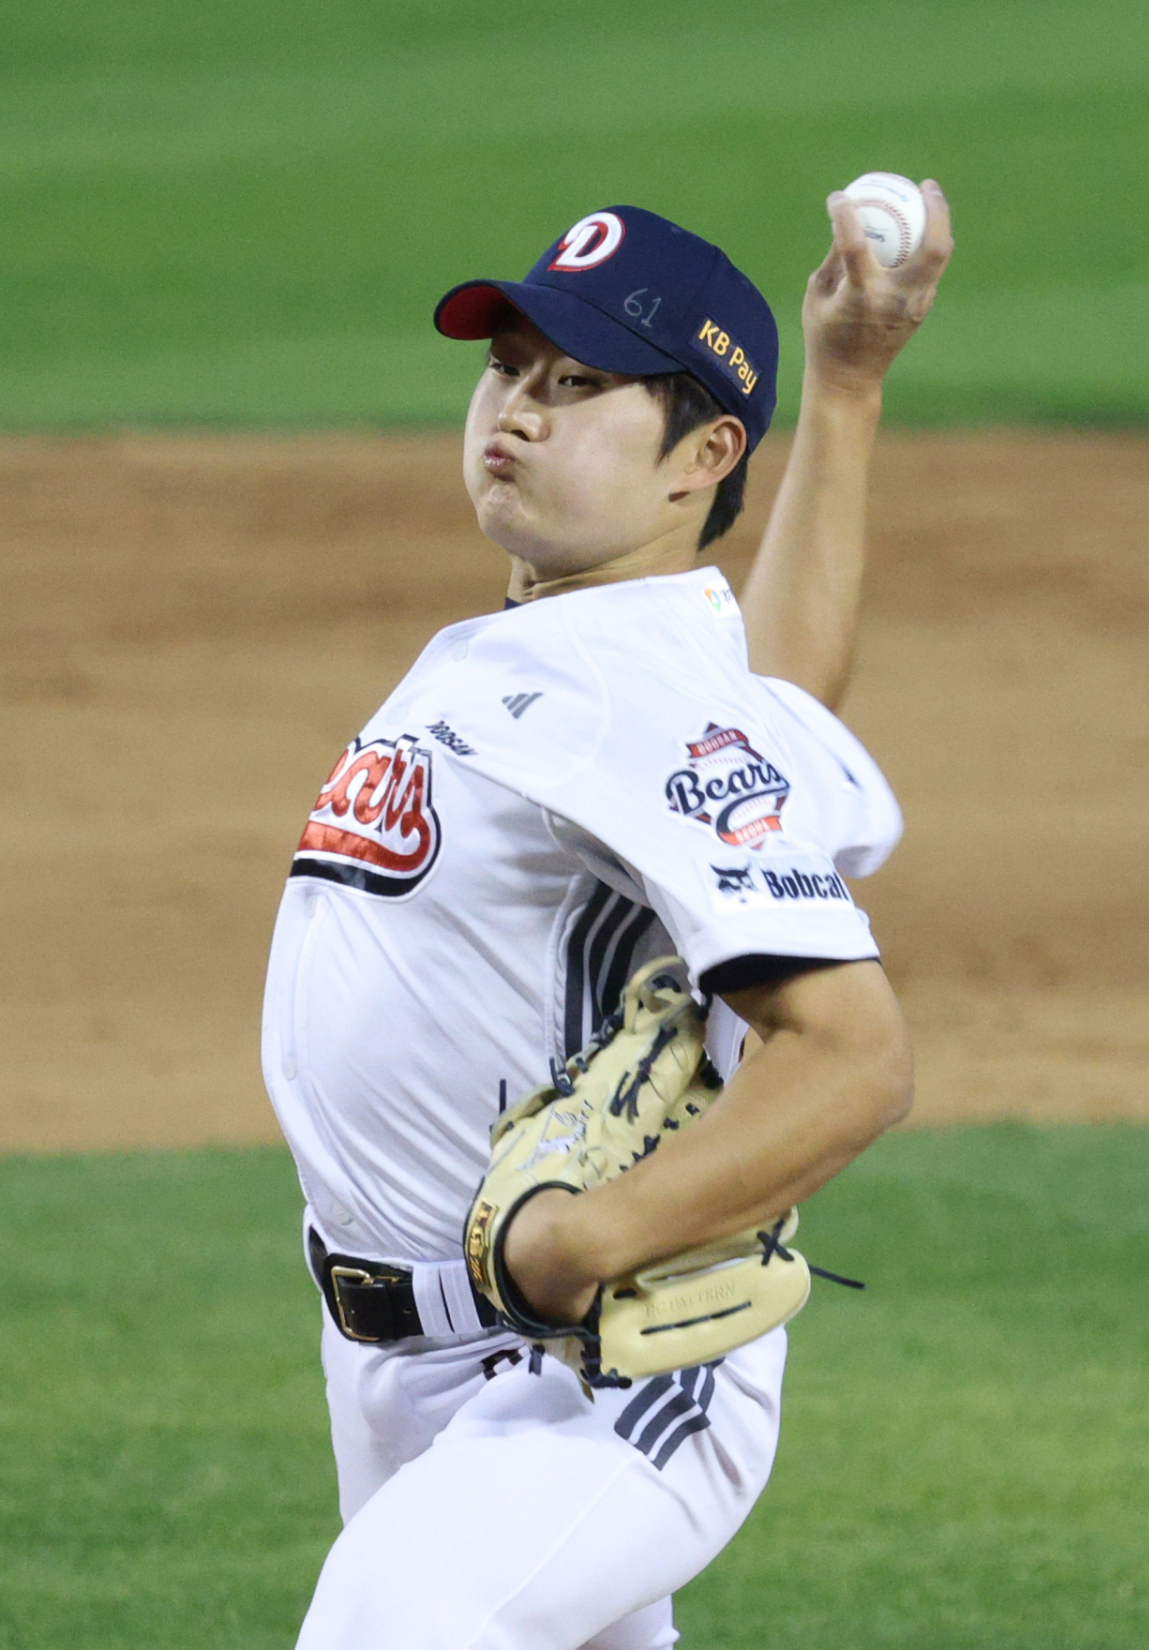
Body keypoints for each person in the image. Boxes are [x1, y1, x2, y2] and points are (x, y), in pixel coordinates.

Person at [261, 188, 953, 1649]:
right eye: (507, 365)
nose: (518, 408)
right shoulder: (603, 655)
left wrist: (592, 1236)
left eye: (579, 384)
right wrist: (845, 387)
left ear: (703, 457)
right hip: (401, 1362)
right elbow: (778, 710)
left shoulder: (620, 686)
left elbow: (854, 1053)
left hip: (587, 1368)